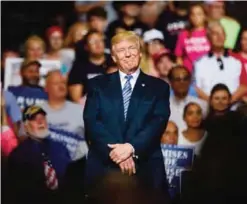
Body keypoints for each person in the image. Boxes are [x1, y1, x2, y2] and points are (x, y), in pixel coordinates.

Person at [83, 31, 171, 201]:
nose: (128, 53)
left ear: (140, 53)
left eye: (132, 48)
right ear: (114, 57)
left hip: (145, 167)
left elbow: (157, 122)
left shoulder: (159, 87)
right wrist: (117, 152)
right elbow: (92, 121)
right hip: (105, 164)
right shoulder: (97, 85)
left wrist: (131, 148)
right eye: (122, 50)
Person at [7, 105, 71, 204]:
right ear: (26, 126)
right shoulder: (17, 156)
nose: (40, 122)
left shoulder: (61, 149)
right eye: (34, 119)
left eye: (42, 118)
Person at [194, 22, 247, 103]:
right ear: (208, 37)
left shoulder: (237, 60)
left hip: (233, 107)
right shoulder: (199, 62)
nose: (219, 37)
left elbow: (244, 86)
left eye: (222, 33)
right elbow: (196, 89)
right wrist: (214, 103)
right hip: (208, 107)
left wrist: (227, 102)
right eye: (215, 34)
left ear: (225, 37)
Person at [41, 70, 88, 161]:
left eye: (63, 83)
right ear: (46, 88)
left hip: (76, 167)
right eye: (56, 83)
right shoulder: (36, 111)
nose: (61, 86)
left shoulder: (81, 110)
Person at [68, 30, 116, 103]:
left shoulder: (115, 62)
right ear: (86, 47)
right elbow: (76, 98)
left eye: (100, 40)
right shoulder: (79, 67)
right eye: (93, 41)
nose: (98, 44)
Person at [169, 65, 207, 133]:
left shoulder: (202, 105)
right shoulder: (162, 106)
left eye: (185, 79)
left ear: (189, 81)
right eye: (177, 79)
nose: (182, 82)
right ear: (171, 82)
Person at [175, 3, 210, 73]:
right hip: (189, 73)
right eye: (193, 14)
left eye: (199, 14)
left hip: (207, 72)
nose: (195, 17)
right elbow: (179, 56)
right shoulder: (184, 34)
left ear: (205, 16)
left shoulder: (210, 33)